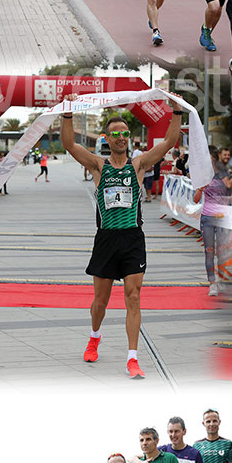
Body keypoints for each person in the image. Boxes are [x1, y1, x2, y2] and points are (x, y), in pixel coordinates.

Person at [61, 100, 182, 379]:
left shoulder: (138, 165)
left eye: (125, 133)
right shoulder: (98, 166)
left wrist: (176, 111)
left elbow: (170, 141)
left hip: (132, 239)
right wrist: (67, 113)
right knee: (100, 303)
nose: (121, 138)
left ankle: (132, 358)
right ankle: (94, 337)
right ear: (106, 138)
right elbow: (69, 145)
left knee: (134, 297)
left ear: (129, 137)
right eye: (115, 133)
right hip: (106, 239)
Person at [193, 148, 232, 296]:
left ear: (214, 158)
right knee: (209, 252)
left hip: (223, 218)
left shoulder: (223, 173)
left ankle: (221, 280)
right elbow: (195, 199)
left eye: (208, 157)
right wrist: (200, 189)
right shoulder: (202, 176)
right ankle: (212, 284)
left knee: (222, 252)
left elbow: (229, 186)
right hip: (207, 218)